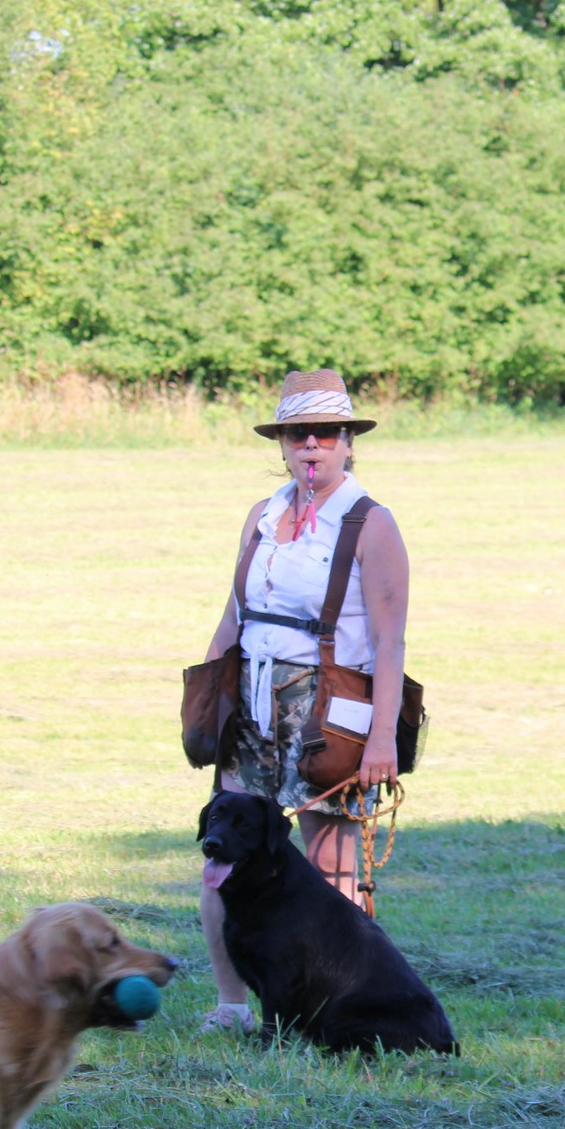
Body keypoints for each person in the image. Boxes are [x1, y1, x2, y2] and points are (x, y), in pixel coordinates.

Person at [198, 369, 410, 1033]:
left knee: (331, 866)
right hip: (252, 702)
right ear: (282, 444)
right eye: (297, 435)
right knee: (224, 852)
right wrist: (209, 701)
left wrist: (382, 739)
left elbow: (390, 641)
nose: (311, 445)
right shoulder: (262, 515)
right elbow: (234, 614)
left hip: (329, 707)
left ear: (348, 440)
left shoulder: (370, 522)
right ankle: (234, 1005)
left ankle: (336, 1004)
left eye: (325, 433)